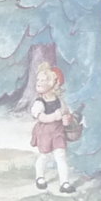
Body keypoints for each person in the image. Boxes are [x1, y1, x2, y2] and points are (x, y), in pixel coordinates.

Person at [30, 62, 76, 193]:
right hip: (45, 132)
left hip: (58, 132)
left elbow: (66, 111)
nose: (39, 82)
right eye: (38, 79)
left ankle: (65, 183)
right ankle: (40, 177)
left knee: (60, 155)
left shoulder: (59, 100)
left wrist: (66, 118)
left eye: (43, 80)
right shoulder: (39, 102)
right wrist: (56, 115)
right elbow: (42, 118)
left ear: (54, 84)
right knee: (44, 156)